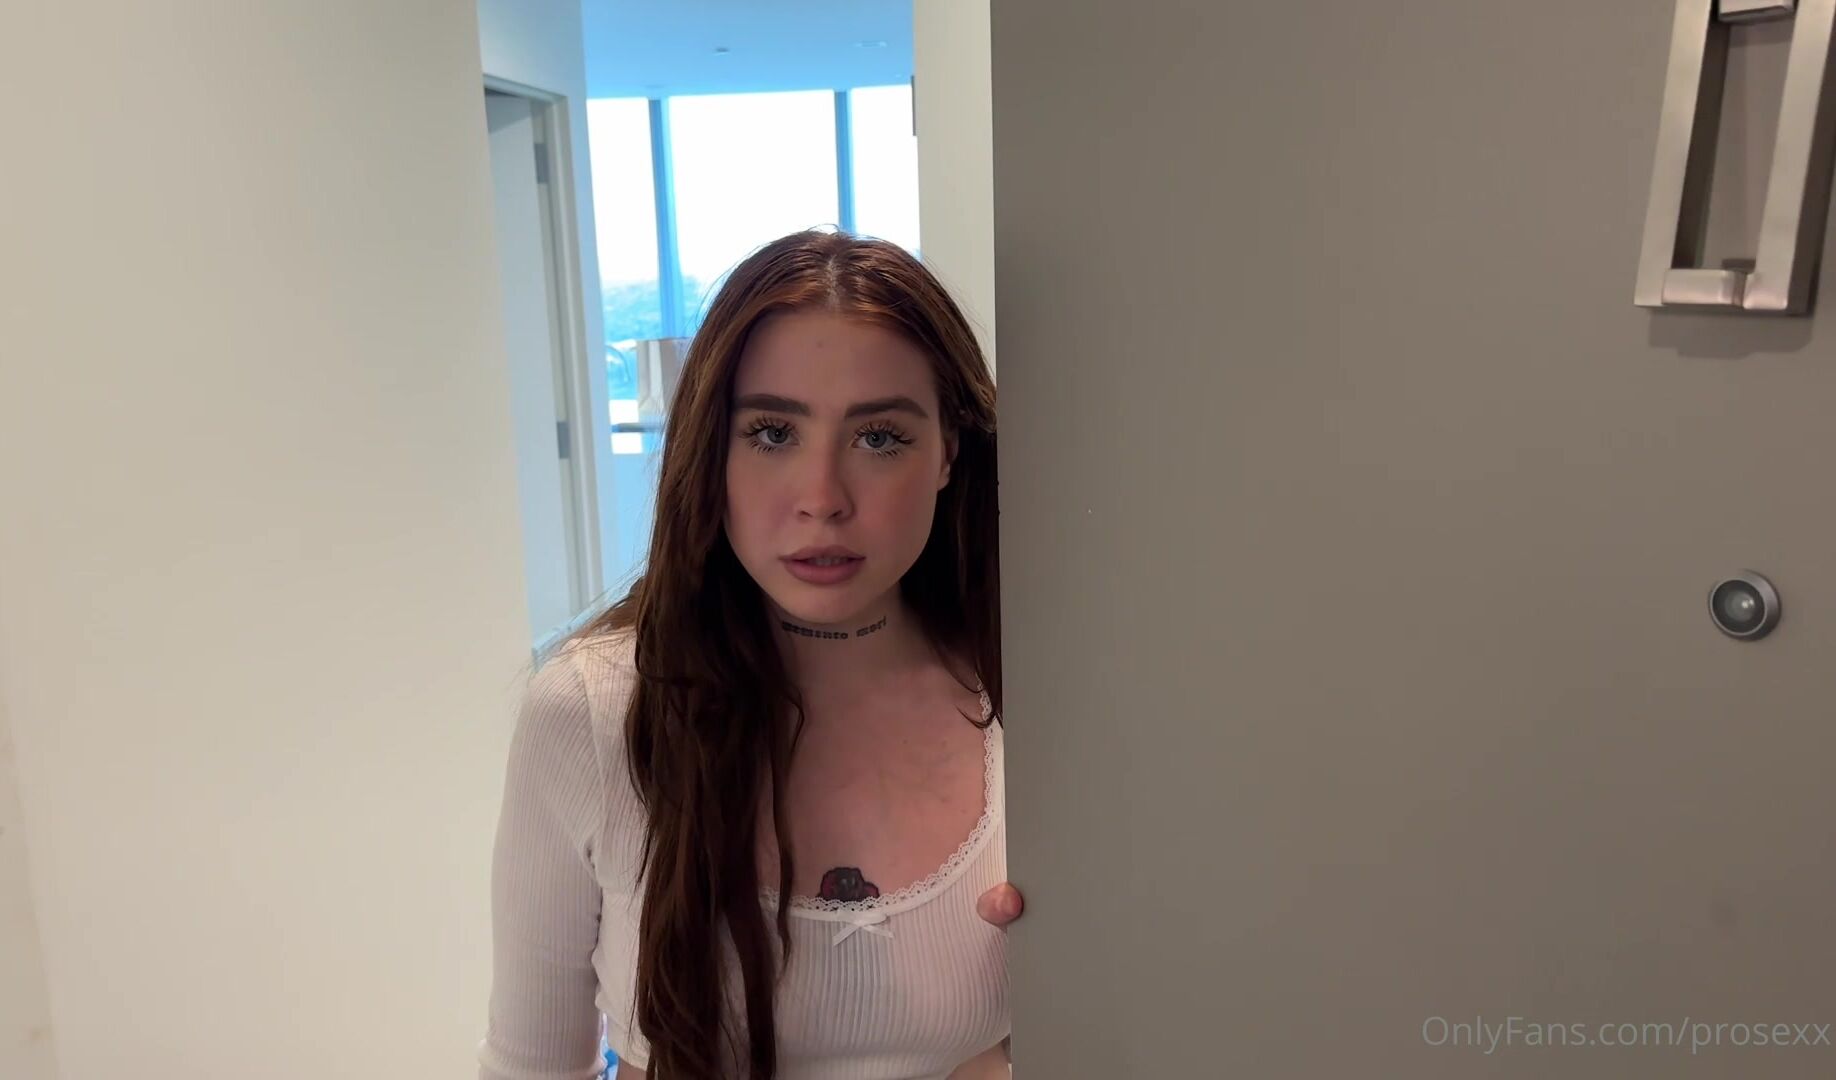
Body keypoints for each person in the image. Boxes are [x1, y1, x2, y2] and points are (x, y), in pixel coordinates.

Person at [478, 230, 1026, 1080]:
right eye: (773, 432)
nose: (822, 499)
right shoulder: (593, 711)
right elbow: (529, 1069)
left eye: (880, 438)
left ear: (948, 454)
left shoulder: (1030, 692)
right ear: (713, 452)